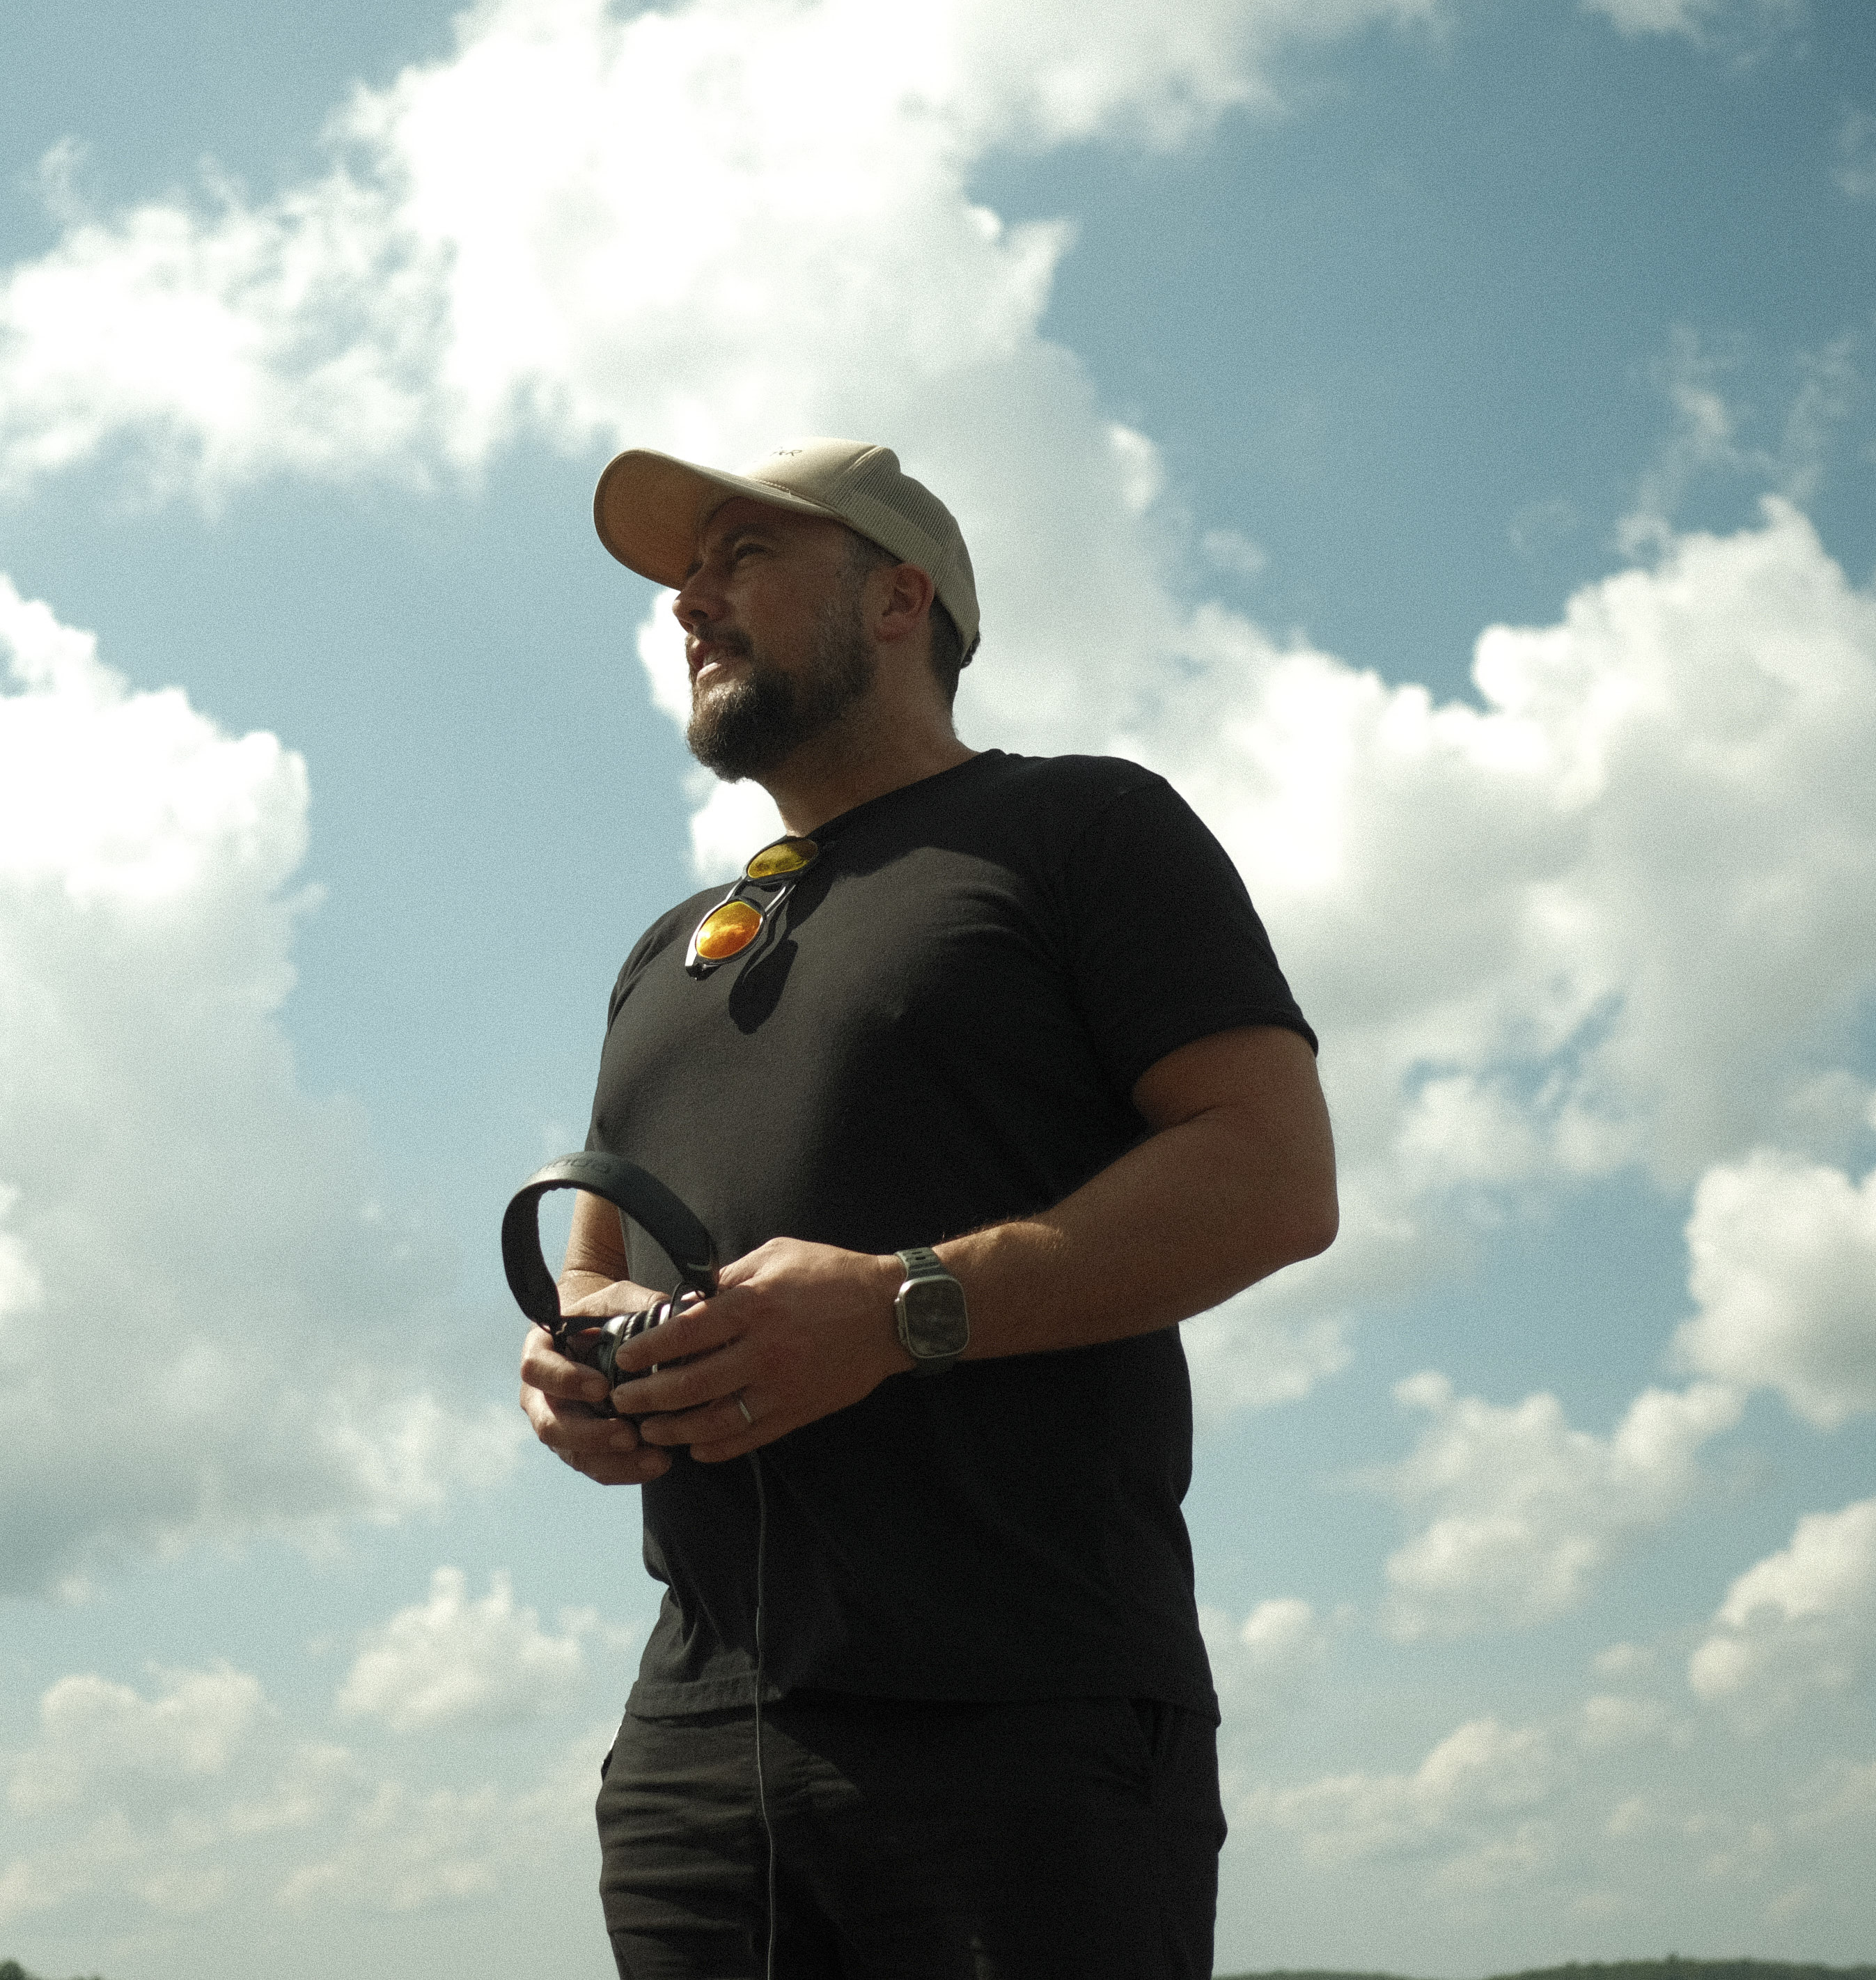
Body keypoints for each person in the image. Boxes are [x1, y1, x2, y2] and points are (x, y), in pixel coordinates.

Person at [517, 437, 1336, 1980]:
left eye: (744, 554)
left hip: (1022, 1722)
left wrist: (900, 1310)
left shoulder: (1086, 827)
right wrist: (577, 1360)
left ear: (899, 599)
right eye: (685, 573)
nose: (690, 599)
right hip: (697, 1743)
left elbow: (1275, 1174)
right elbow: (593, 1262)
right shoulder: (662, 951)